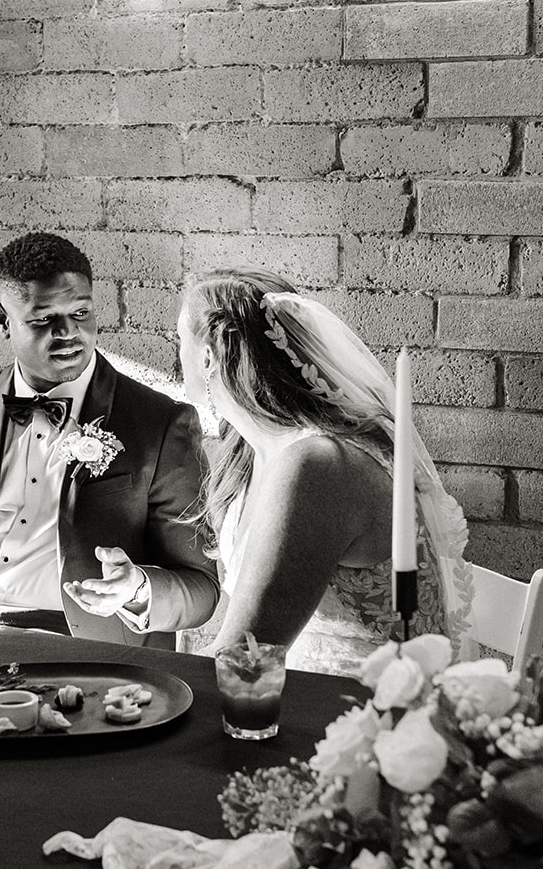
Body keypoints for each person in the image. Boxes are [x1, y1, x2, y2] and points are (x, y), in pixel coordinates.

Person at [0, 232, 220, 646]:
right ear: (3, 320)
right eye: (43, 319)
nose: (68, 332)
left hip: (90, 653)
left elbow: (201, 588)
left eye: (81, 313)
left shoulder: (161, 423)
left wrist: (138, 589)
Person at [177, 269, 474, 676]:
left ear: (207, 356)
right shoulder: (250, 450)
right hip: (282, 694)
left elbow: (242, 659)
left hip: (358, 711)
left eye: (180, 341)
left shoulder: (316, 466)